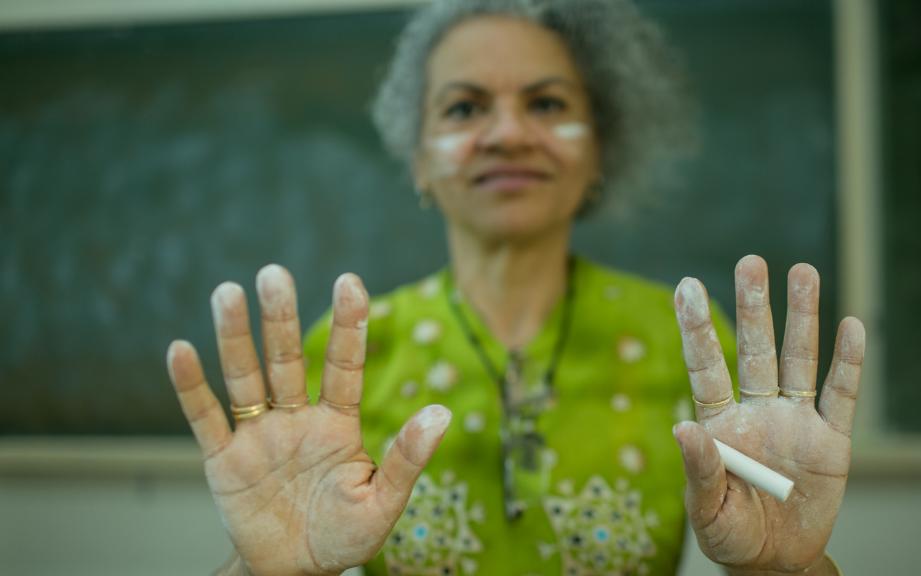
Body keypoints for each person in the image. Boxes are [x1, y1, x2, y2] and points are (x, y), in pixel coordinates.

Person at [165, 1, 865, 575]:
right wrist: (267, 572)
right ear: (418, 161)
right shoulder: (348, 349)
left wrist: (788, 567)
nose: (506, 133)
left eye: (547, 102)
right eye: (465, 109)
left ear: (601, 148)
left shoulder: (682, 335)